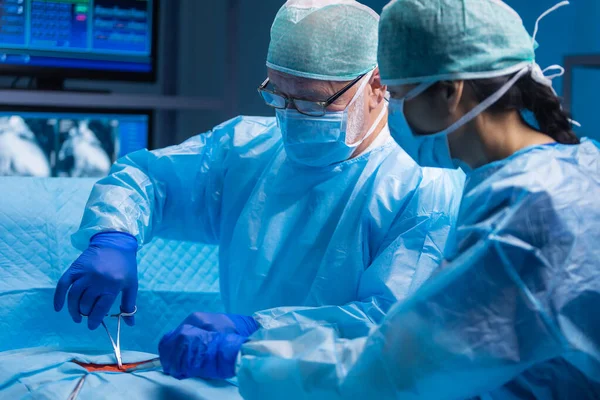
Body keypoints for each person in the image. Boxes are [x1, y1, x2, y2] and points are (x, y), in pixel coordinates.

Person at [53, 0, 464, 381]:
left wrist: (256, 332)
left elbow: (389, 327)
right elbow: (148, 180)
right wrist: (114, 236)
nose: (290, 116)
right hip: (245, 382)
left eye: (311, 103)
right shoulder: (249, 148)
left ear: (377, 85)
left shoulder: (421, 186)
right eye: (278, 94)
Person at [236, 1, 600, 399]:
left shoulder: (530, 211)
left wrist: (248, 359)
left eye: (397, 94)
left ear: (449, 91)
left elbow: (401, 370)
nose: (389, 109)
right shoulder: (566, 172)